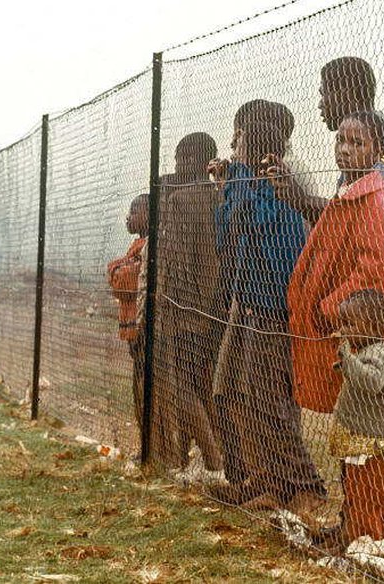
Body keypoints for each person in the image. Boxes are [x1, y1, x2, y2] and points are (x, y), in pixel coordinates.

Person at [207, 118, 327, 514]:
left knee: (274, 401)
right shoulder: (250, 180)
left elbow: (247, 221)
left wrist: (237, 177)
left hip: (276, 304)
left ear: (251, 143)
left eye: (237, 136)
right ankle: (276, 482)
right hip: (254, 300)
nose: (231, 142)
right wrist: (227, 187)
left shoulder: (276, 179)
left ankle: (306, 484)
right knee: (256, 398)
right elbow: (224, 233)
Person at [270, 57, 384, 346]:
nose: (320, 104)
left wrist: (299, 199)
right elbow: (344, 220)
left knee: (379, 383)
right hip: (358, 294)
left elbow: (363, 216)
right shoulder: (354, 147)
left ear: (347, 92)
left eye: (324, 93)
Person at [280, 110, 384, 414]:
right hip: (353, 322)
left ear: (377, 153)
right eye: (341, 140)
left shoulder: (373, 200)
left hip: (364, 324)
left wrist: (331, 307)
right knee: (352, 414)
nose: (345, 149)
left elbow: (374, 266)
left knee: (371, 418)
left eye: (357, 143)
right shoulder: (349, 195)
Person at [156, 133, 227, 485]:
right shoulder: (220, 195)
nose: (174, 167)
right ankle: (213, 457)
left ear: (191, 160)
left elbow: (174, 260)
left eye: (179, 159)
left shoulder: (180, 200)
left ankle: (213, 462)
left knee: (182, 384)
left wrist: (167, 302)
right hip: (216, 306)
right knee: (203, 384)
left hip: (184, 308)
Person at [325, 290, 384, 565]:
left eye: (350, 324)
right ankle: (381, 552)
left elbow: (372, 382)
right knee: (365, 500)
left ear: (374, 325)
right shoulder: (370, 351)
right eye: (343, 323)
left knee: (369, 502)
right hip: (370, 445)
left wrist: (347, 359)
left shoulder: (381, 354)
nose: (344, 330)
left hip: (376, 448)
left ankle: (374, 554)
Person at [106, 194, 150, 429]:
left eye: (134, 211)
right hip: (132, 323)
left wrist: (116, 269)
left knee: (142, 383)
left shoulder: (146, 246)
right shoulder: (137, 245)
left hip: (140, 323)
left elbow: (122, 278)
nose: (128, 217)